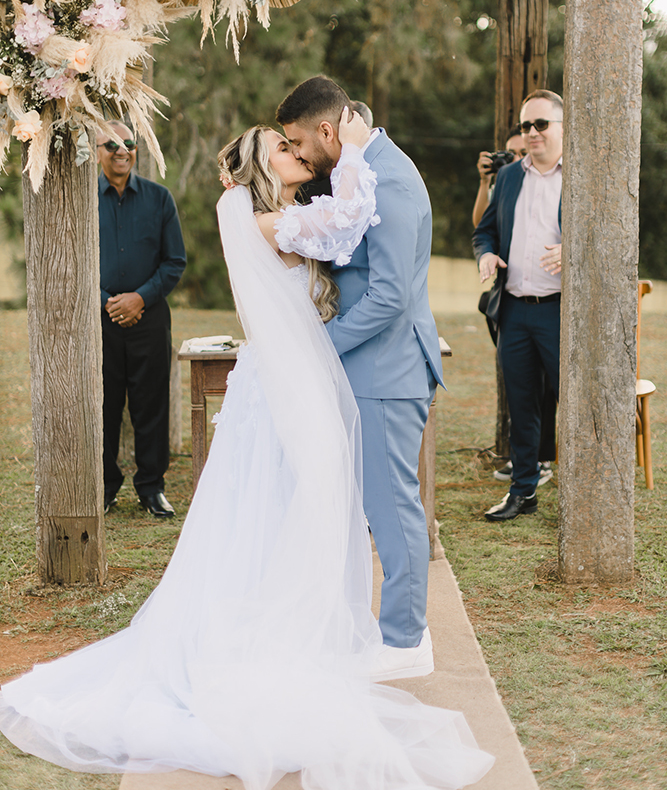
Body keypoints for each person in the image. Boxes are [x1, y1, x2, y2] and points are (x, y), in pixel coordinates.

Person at [0, 114, 494, 789]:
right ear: (260, 168)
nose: (294, 154)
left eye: (295, 145)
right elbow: (350, 223)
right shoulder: (265, 221)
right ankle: (273, 641)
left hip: (287, 382)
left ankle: (295, 634)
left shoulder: (277, 212)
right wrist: (352, 148)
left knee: (294, 508)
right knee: (283, 508)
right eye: (281, 149)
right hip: (282, 389)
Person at [277, 76, 444, 680]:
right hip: (366, 369)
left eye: (299, 144)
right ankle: (386, 632)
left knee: (392, 506)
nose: (299, 156)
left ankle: (405, 642)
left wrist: (315, 346)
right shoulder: (358, 173)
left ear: (328, 130)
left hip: (387, 370)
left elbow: (390, 297)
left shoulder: (391, 182)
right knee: (372, 505)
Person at [472, 90, 563, 522]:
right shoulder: (509, 178)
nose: (531, 133)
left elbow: (608, 236)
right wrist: (486, 255)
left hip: (561, 311)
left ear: (562, 127)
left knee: (573, 402)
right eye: (526, 125)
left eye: (540, 124)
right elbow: (484, 231)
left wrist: (573, 251)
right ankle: (523, 491)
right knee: (522, 404)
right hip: (514, 309)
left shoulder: (579, 178)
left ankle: (582, 494)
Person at [97, 122, 186, 518]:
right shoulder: (83, 201)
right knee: (103, 405)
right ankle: (103, 487)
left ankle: (151, 488)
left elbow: (174, 262)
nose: (122, 150)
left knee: (151, 405)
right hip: (97, 323)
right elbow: (74, 264)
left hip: (149, 320)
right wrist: (107, 303)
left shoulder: (159, 199)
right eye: (112, 144)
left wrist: (139, 299)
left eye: (129, 144)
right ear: (97, 151)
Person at [472, 126, 526, 229]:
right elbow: (481, 225)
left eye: (524, 153)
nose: (517, 159)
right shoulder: (502, 188)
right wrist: (485, 181)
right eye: (511, 154)